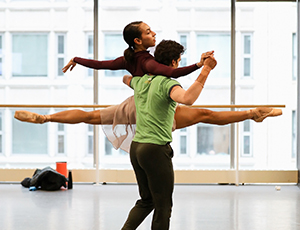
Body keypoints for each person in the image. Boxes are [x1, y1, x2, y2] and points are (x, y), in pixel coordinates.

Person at [14, 21, 282, 152]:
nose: (152, 33)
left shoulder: (130, 59)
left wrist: (77, 60)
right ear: (138, 40)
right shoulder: (151, 64)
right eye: (148, 31)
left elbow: (103, 65)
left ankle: (45, 117)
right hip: (156, 109)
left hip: (136, 105)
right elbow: (172, 75)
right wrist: (202, 67)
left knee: (90, 116)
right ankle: (250, 114)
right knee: (205, 114)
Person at [106, 39, 217, 230]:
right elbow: (187, 99)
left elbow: (126, 78)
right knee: (163, 204)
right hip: (155, 149)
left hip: (137, 148)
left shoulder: (140, 81)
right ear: (175, 62)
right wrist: (205, 70)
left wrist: (134, 78)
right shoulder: (168, 84)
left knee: (147, 200)